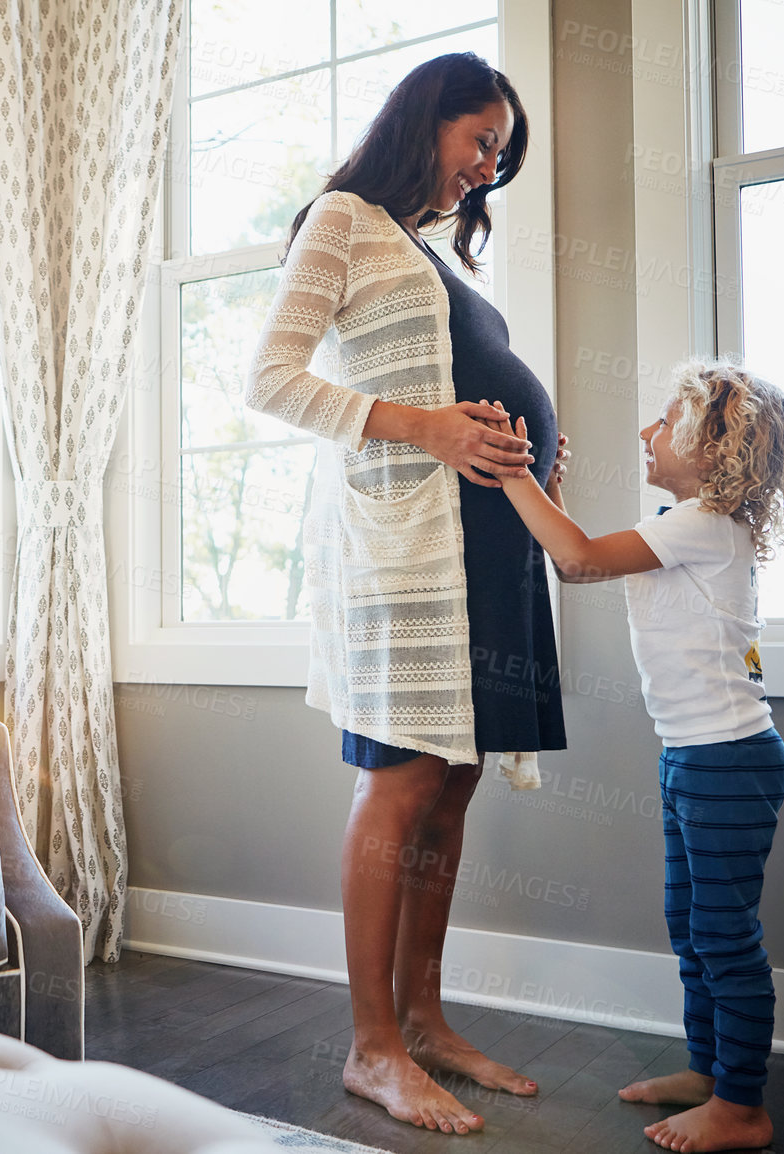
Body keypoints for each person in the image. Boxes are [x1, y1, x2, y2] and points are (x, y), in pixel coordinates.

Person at [244, 52, 566, 1135]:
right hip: (406, 552)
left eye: (500, 155)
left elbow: (460, 385)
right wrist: (428, 427)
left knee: (454, 781)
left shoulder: (428, 251)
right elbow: (274, 379)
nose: (487, 167)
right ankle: (371, 1045)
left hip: (486, 542)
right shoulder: (340, 218)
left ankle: (423, 1017)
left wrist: (530, 459)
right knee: (399, 780)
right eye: (481, 140)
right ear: (426, 118)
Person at [484, 359, 784, 1153]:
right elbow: (579, 552)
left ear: (713, 448)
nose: (645, 431)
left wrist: (514, 474)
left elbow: (580, 559)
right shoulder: (686, 520)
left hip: (726, 759)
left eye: (665, 420)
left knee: (724, 934)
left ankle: (743, 1106)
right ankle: (711, 1073)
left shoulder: (704, 524)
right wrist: (546, 491)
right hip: (694, 755)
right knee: (691, 925)